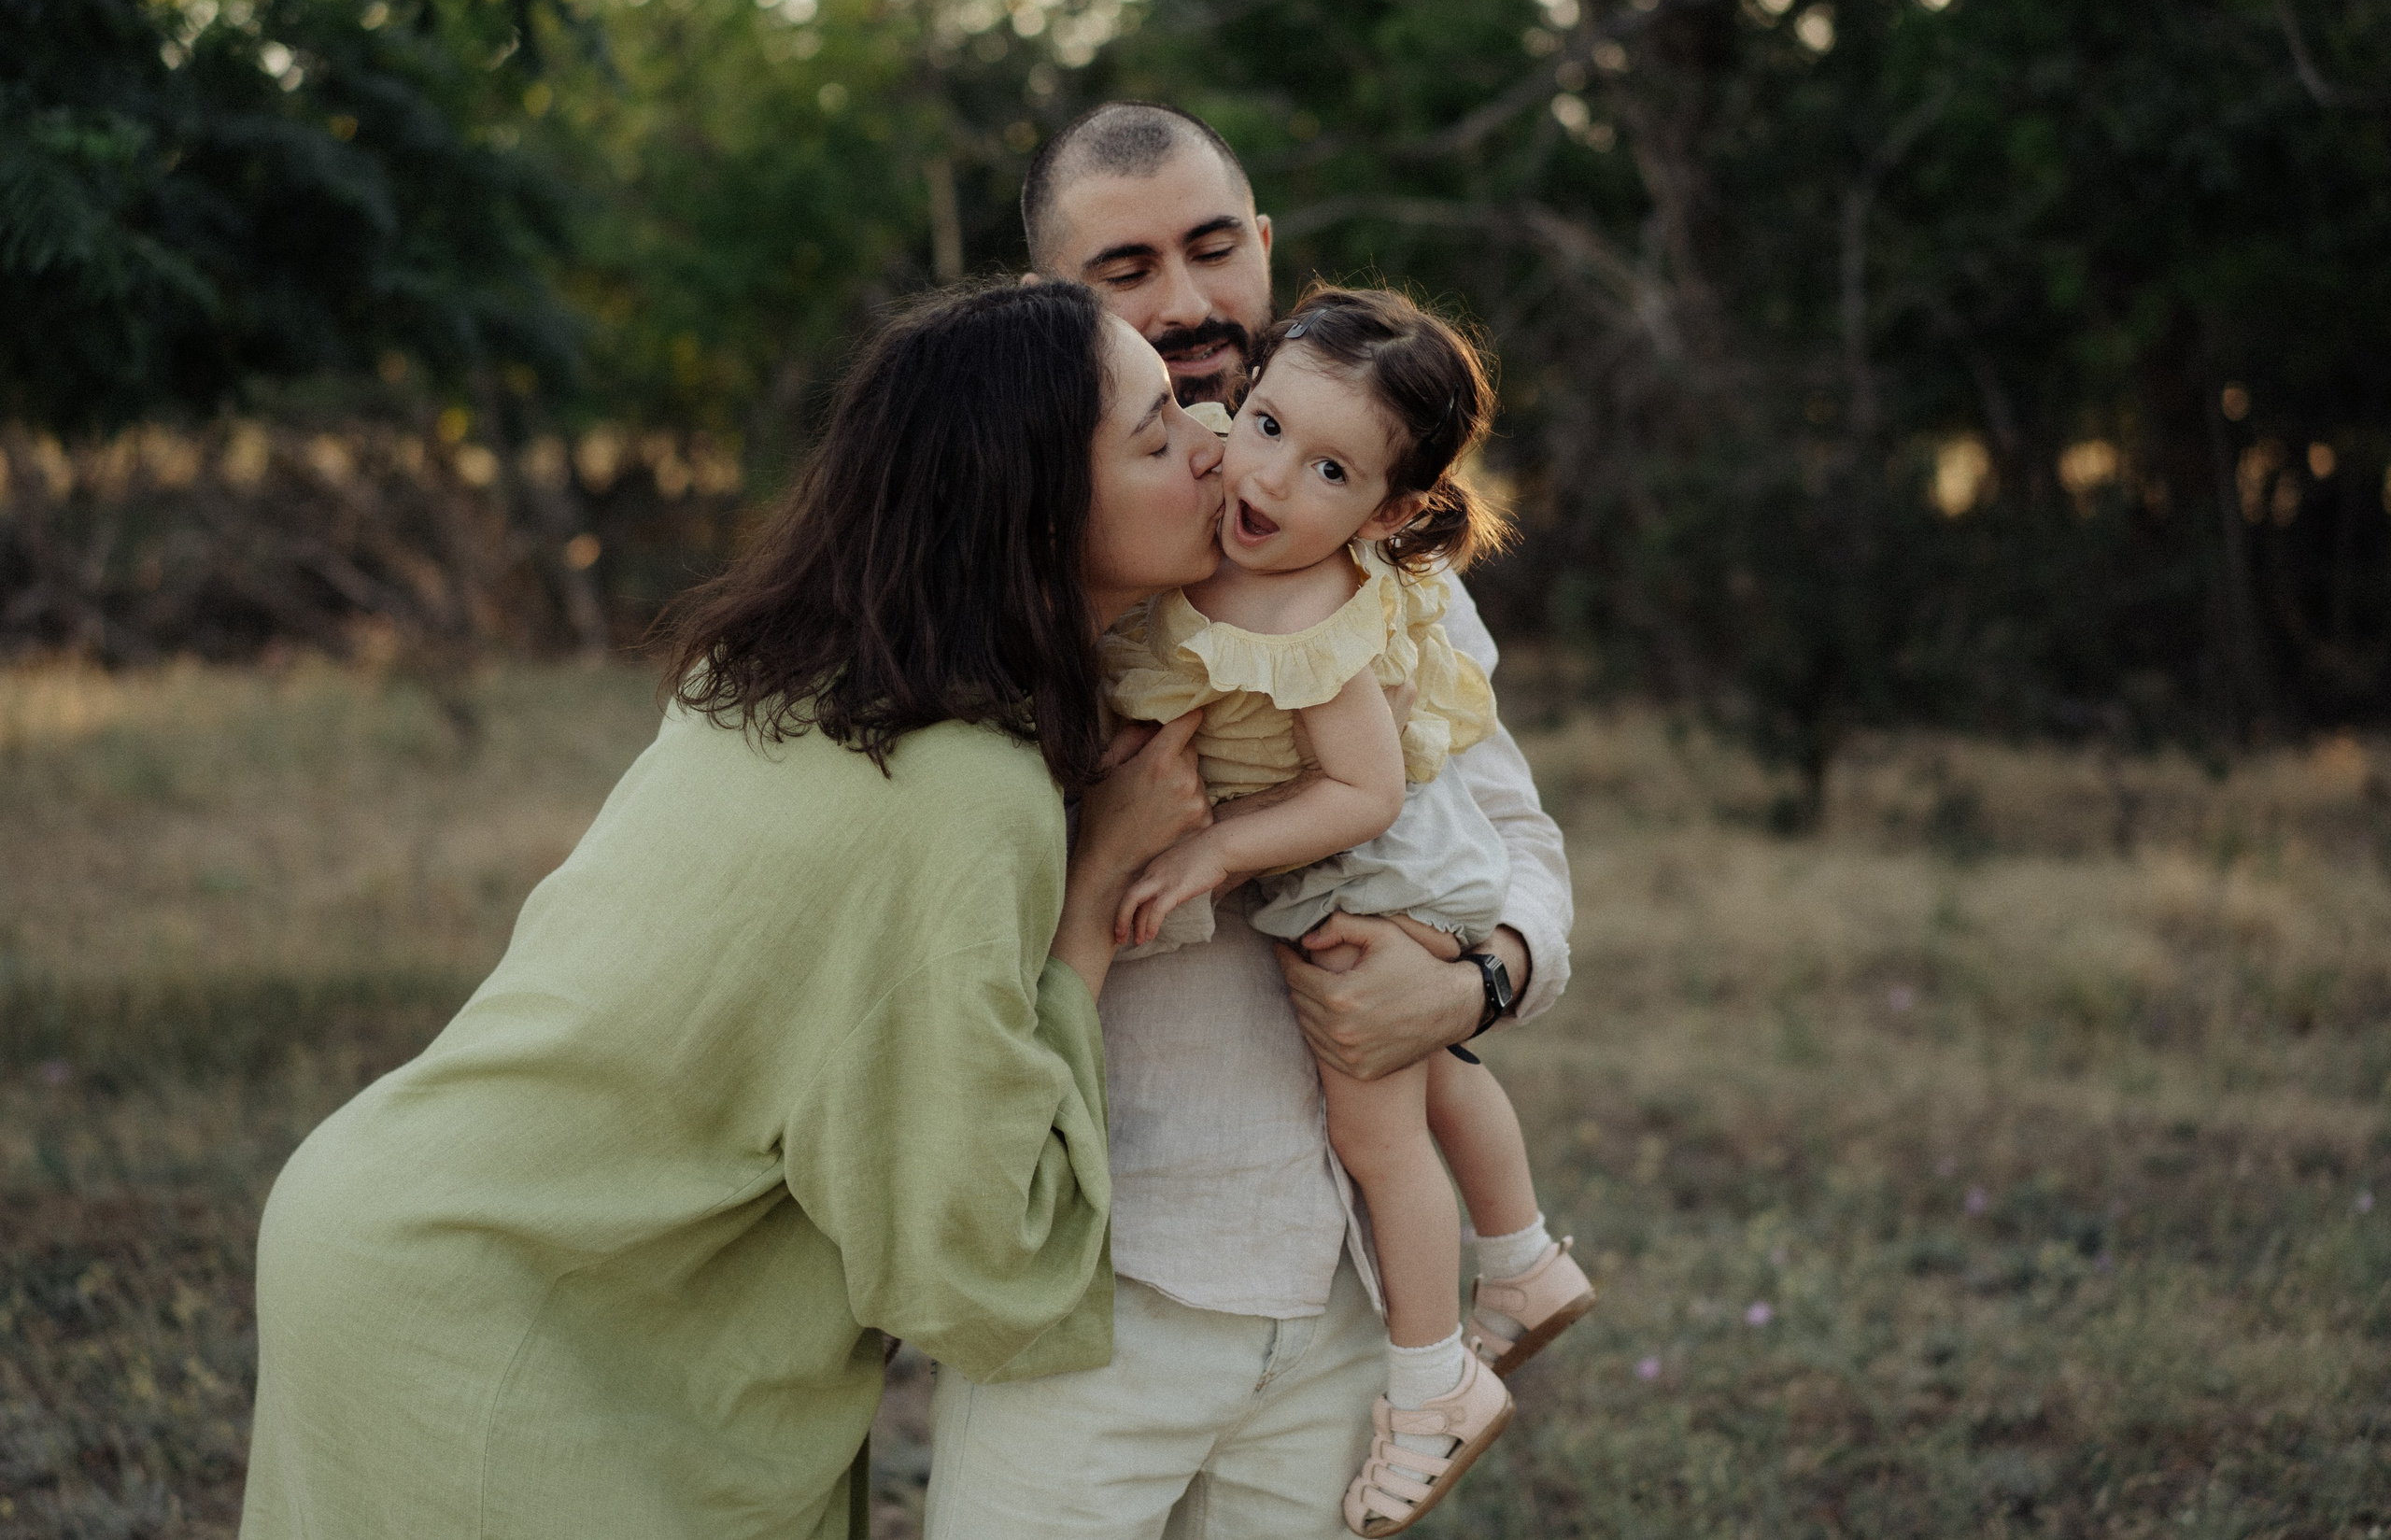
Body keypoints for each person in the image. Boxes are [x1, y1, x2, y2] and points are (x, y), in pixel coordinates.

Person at [238, 280, 1229, 1540]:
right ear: (1029, 504)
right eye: (1156, 434)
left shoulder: (773, 676)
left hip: (389, 1227)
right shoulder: (967, 788)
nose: (1213, 434)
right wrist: (1095, 898)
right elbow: (966, 1237)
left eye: (1188, 403)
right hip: (515, 1322)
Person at [926, 105, 1576, 1540]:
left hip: (1344, 1294)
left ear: (1265, 246)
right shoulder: (1012, 560)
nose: (1185, 302)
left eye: (1215, 249)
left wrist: (1474, 980)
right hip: (1103, 1289)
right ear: (1051, 302)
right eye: (1126, 270)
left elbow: (1514, 837)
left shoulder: (1367, 543)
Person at [1104, 286, 1597, 1537]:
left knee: (1378, 1128)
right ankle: (1527, 1259)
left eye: (1325, 469)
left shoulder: (1310, 607)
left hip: (1379, 872)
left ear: (1387, 514)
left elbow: (1364, 789)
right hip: (1388, 864)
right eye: (1264, 428)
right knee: (1434, 1080)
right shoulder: (1212, 484)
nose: (1265, 475)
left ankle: (1434, 1390)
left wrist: (1216, 850)